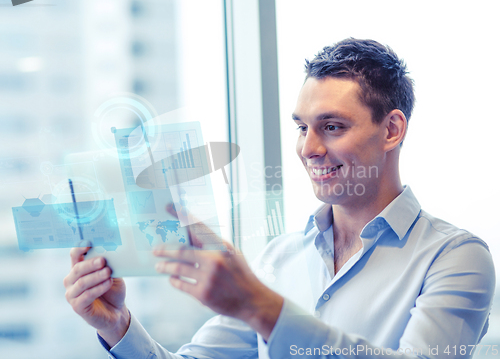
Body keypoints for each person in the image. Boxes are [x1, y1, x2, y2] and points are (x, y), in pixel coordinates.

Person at [64, 38, 495, 358]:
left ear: (392, 130)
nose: (308, 148)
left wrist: (260, 306)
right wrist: (118, 325)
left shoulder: (456, 258)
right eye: (301, 127)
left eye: (332, 126)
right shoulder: (281, 258)